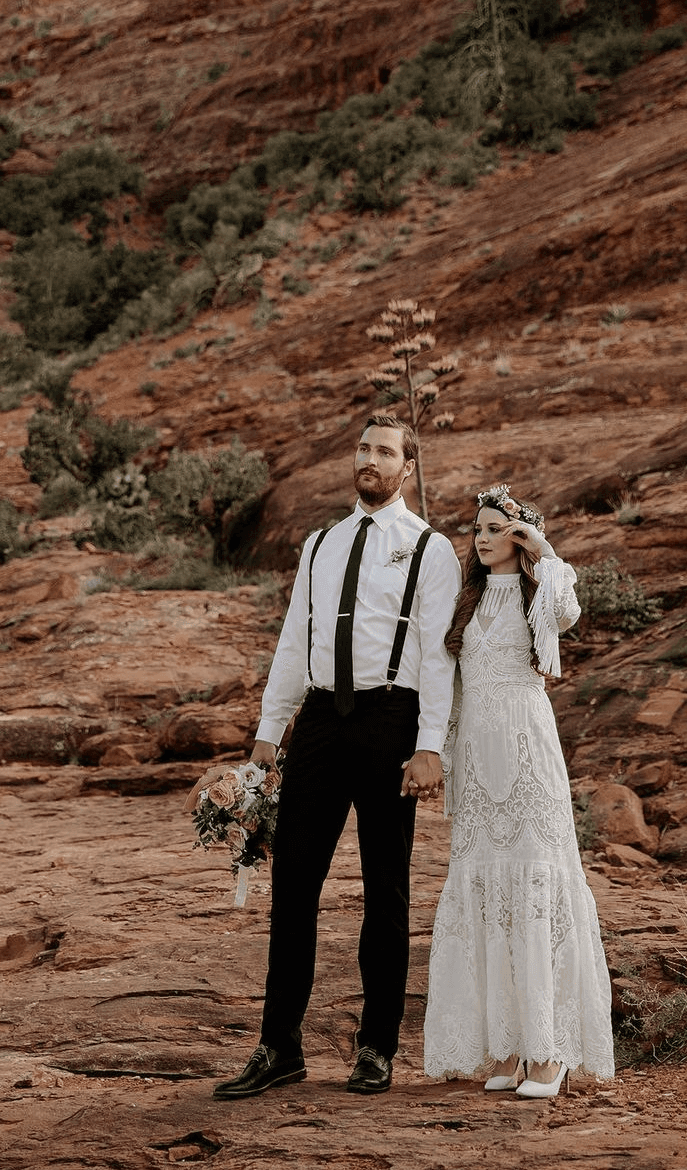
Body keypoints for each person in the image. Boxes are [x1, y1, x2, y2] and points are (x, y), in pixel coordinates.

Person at [213, 414, 462, 1100]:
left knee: (386, 892)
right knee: (294, 889)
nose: (370, 459)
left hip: (391, 719)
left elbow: (439, 656)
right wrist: (270, 729)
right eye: (363, 448)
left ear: (407, 468)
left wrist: (431, 745)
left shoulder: (430, 548)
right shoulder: (320, 543)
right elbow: (297, 637)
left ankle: (377, 1048)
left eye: (385, 451)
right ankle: (278, 1047)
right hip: (320, 720)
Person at [422, 484, 615, 1098]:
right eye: (475, 529)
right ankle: (504, 1047)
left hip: (530, 753)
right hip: (480, 759)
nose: (481, 537)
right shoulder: (464, 604)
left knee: (535, 888)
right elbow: (448, 684)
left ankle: (548, 1053)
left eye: (494, 527)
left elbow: (566, 614)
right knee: (487, 895)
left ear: (518, 536)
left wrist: (541, 546)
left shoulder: (542, 591)